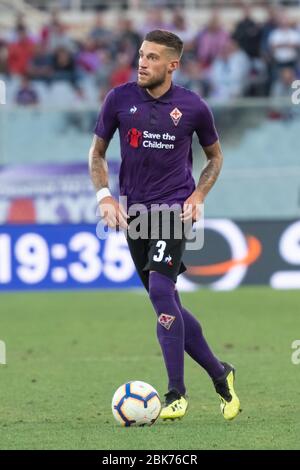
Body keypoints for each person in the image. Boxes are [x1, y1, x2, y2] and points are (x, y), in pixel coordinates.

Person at [89, 30, 241, 421]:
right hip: (135, 215)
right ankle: (220, 373)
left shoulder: (193, 107)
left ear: (172, 65)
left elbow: (215, 158)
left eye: (153, 57)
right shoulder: (118, 99)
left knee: (159, 290)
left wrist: (198, 196)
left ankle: (176, 393)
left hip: (173, 211)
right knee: (167, 302)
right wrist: (104, 196)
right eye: (141, 54)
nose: (142, 62)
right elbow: (98, 152)